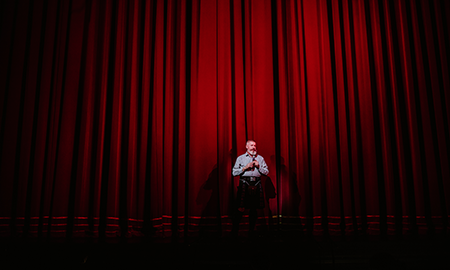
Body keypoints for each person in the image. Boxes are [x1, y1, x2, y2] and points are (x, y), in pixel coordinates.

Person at [231, 140, 269, 237]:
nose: (254, 147)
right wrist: (245, 168)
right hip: (244, 183)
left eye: (255, 145)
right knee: (240, 208)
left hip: (256, 183)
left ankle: (251, 231)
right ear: (246, 147)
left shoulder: (260, 158)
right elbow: (234, 173)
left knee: (254, 209)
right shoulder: (241, 158)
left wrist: (259, 166)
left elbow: (266, 172)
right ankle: (234, 231)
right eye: (251, 145)